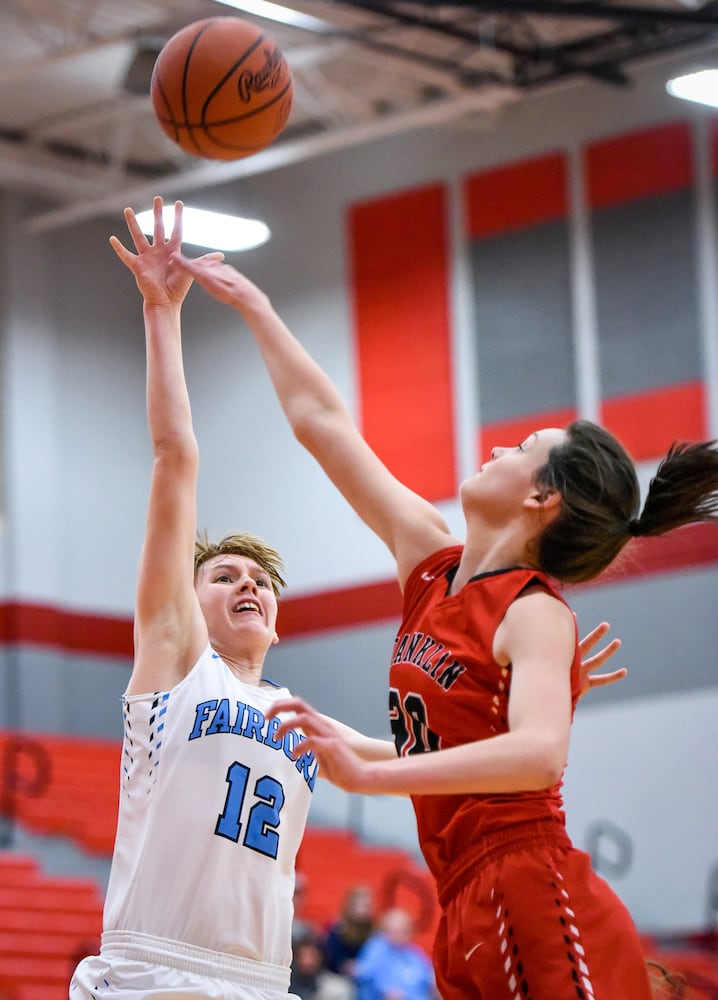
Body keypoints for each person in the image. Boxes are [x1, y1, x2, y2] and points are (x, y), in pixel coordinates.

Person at [175, 247, 718, 999]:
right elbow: (323, 425)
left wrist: (371, 773)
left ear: (541, 500)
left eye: (523, 449)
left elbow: (536, 755)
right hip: (461, 897)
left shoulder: (533, 612)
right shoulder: (432, 562)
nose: (499, 447)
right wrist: (255, 308)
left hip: (530, 884)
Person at [69, 198, 396, 1000]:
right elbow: (175, 457)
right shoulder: (178, 665)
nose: (248, 582)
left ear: (278, 622)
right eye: (225, 575)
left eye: (260, 579)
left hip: (260, 981)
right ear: (186, 603)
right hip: (153, 970)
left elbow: (425, 764)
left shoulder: (301, 720)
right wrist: (160, 314)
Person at [353, 907, 436, 1000]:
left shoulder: (414, 953)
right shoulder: (376, 949)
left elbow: (429, 977)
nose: (400, 934)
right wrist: (384, 991)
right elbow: (364, 975)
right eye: (395, 930)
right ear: (385, 930)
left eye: (404, 930)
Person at [323, 885, 376, 979]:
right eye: (359, 905)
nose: (363, 911)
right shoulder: (338, 928)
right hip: (337, 975)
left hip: (363, 975)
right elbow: (330, 956)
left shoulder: (373, 932)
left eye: (366, 906)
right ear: (350, 906)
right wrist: (344, 965)